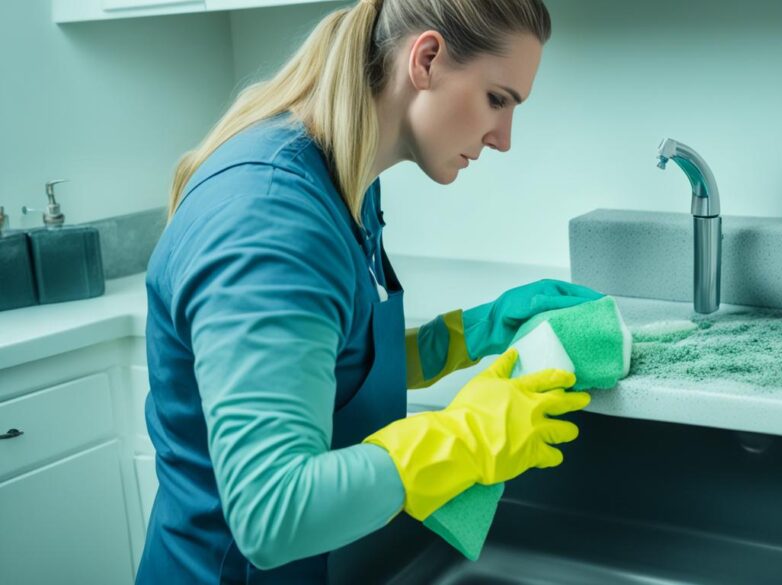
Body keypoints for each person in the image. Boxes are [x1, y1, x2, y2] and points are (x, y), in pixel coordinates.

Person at [135, 0, 602, 582]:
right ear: (426, 59)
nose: (503, 138)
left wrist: (467, 335)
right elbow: (273, 514)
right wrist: (466, 438)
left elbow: (330, 364)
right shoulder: (271, 222)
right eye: (497, 99)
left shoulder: (346, 180)